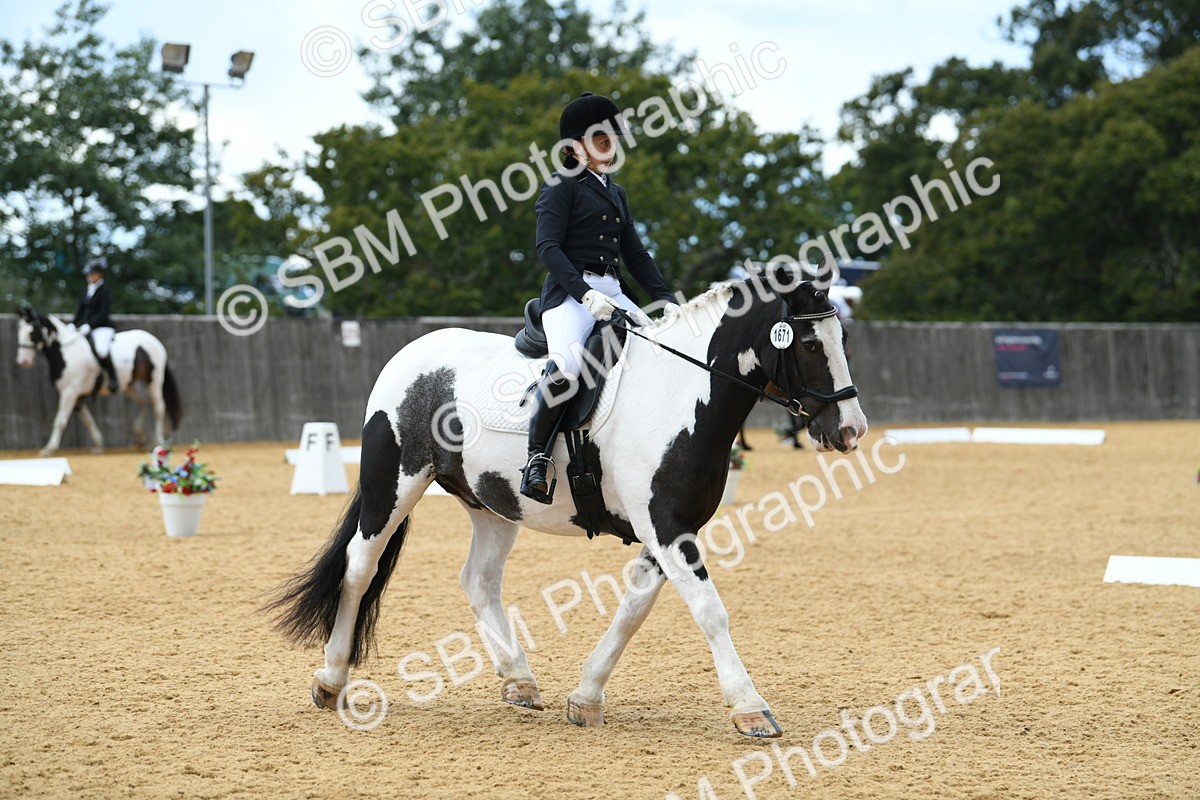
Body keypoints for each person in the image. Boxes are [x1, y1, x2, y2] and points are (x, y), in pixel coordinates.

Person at [520, 91, 681, 504]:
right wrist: (584, 294)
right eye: (603, 140)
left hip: (613, 289)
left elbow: (636, 253)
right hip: (570, 296)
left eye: (613, 140)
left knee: (664, 350)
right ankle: (537, 459)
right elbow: (547, 248)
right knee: (569, 366)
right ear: (577, 146)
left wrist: (664, 299)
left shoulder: (615, 192)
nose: (612, 147)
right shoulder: (561, 186)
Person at [73, 259, 119, 393]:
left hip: (102, 326)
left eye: (93, 274)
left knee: (102, 350)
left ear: (100, 275)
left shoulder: (105, 290)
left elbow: (103, 313)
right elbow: (80, 310)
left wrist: (89, 325)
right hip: (85, 326)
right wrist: (73, 323)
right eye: (89, 274)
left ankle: (112, 377)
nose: (90, 276)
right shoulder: (86, 290)